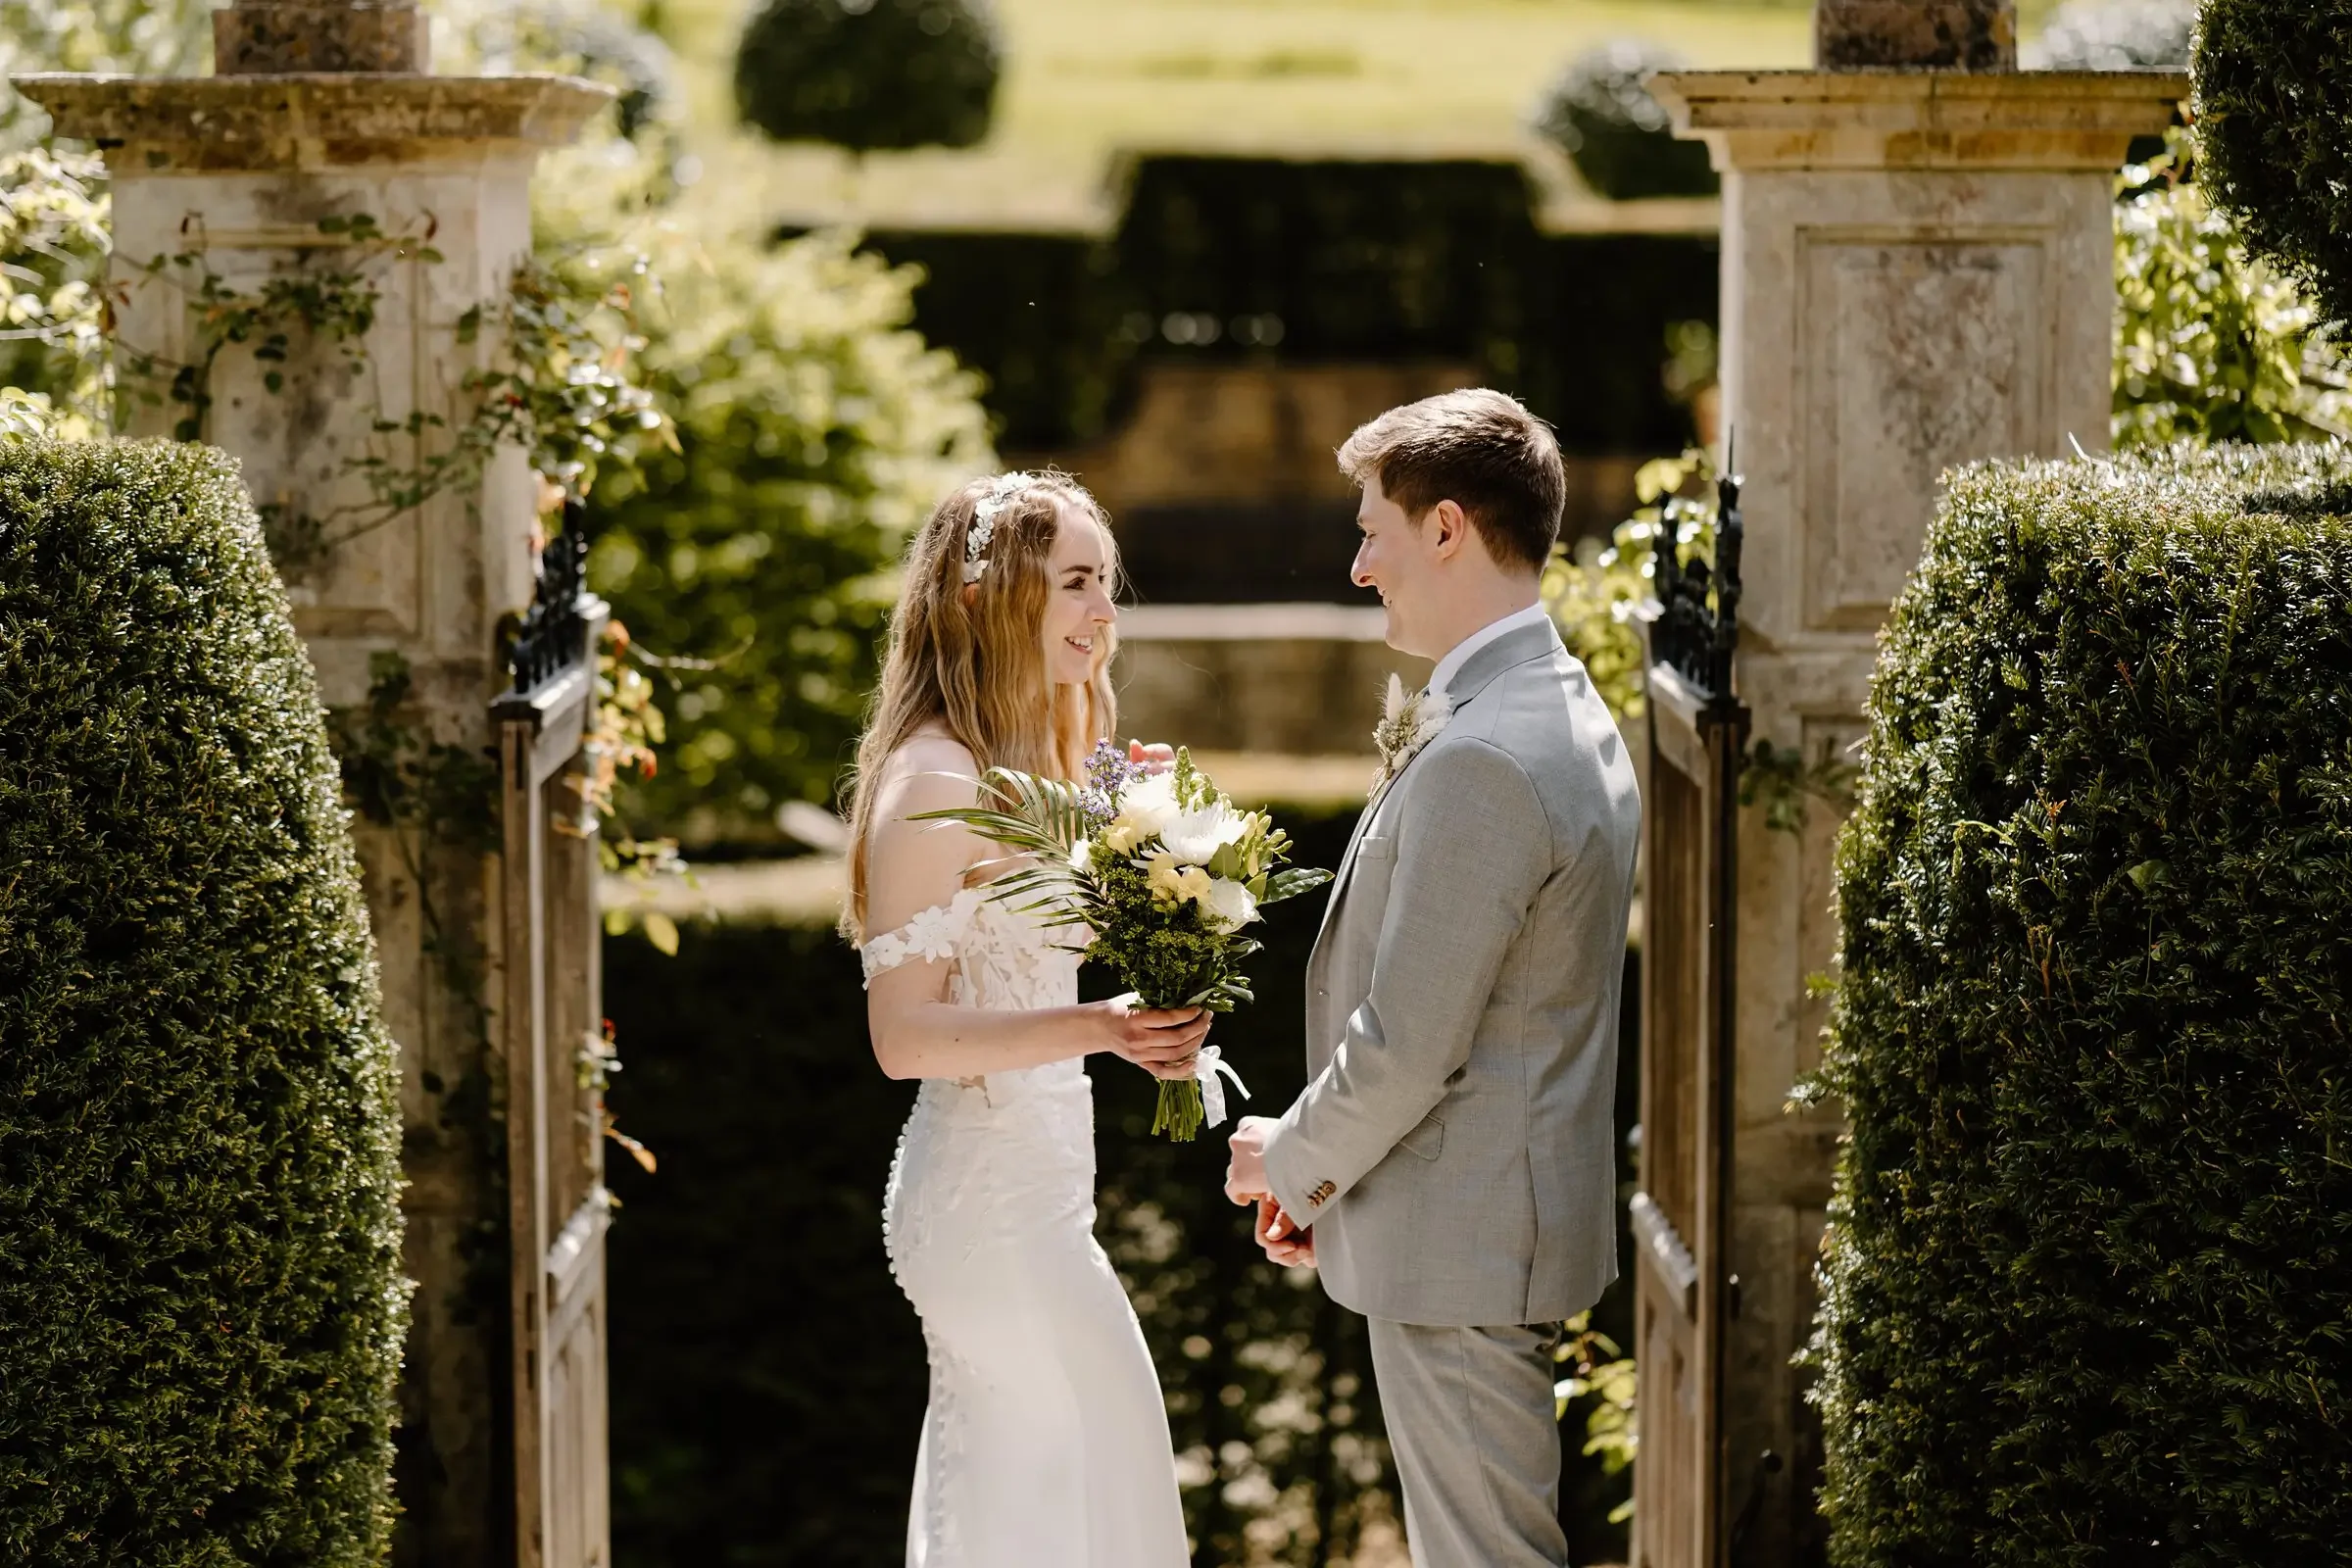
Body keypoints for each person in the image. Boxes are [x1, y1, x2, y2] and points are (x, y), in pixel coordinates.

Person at [1224, 390, 1642, 1568]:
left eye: (1373, 532)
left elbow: (1411, 1040)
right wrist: (1335, 1187)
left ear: (1446, 528)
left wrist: (1295, 1161)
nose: (1360, 568)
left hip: (1467, 1253)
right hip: (1474, 1229)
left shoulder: (1487, 756)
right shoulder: (1542, 706)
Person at [845, 469, 1198, 1568]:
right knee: (1088, 1490)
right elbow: (903, 1037)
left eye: (1108, 585)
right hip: (987, 1209)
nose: (1105, 613)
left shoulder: (1021, 768)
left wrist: (1149, 850)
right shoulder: (930, 782)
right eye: (1078, 584)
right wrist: (1102, 1026)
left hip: (1044, 1194)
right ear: (982, 600)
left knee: (1060, 1507)